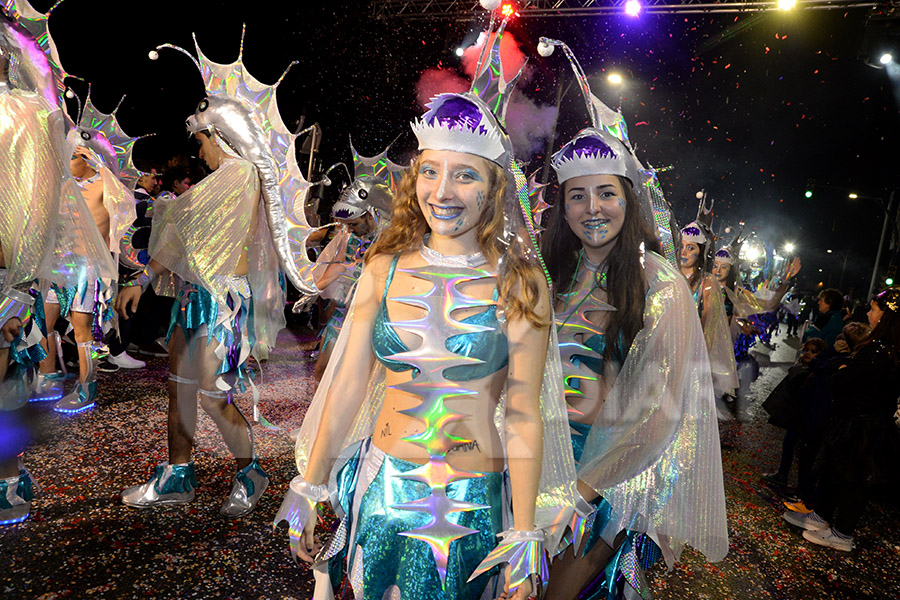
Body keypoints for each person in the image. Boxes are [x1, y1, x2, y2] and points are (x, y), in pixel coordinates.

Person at [276, 26, 577, 600]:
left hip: (471, 506)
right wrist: (310, 485)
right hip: (380, 491)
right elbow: (345, 385)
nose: (444, 190)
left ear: (493, 189)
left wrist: (521, 532)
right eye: (432, 172)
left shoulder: (521, 282)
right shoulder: (383, 266)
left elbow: (522, 415)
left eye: (466, 175)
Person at [535, 37, 728, 598]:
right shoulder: (551, 273)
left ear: (629, 200)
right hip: (527, 469)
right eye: (577, 196)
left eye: (606, 194)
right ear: (562, 204)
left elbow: (662, 417)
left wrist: (580, 492)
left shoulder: (658, 283)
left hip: (597, 486)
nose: (591, 208)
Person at [117, 31, 321, 517]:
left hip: (221, 303)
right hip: (196, 295)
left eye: (201, 141)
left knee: (211, 395)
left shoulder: (238, 174)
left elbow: (181, 224)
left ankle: (251, 470)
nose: (199, 151)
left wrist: (142, 275)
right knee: (179, 387)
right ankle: (178, 474)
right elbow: (184, 230)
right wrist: (148, 273)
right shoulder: (224, 178)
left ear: (218, 137)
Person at [0, 0, 73, 524]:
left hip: (9, 277)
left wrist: (21, 288)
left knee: (5, 375)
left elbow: (38, 201)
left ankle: (7, 476)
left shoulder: (23, 113)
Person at [782, 290, 900, 551]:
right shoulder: (879, 349)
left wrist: (842, 370)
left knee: (854, 480)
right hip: (854, 420)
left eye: (874, 309)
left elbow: (844, 381)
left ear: (888, 316)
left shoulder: (881, 352)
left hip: (864, 426)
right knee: (834, 472)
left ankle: (843, 533)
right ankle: (821, 517)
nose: (868, 313)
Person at [680, 220, 738, 400]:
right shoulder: (668, 276)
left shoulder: (707, 284)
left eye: (691, 248)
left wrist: (698, 362)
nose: (684, 252)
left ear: (702, 252)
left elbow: (709, 327)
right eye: (681, 246)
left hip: (689, 353)